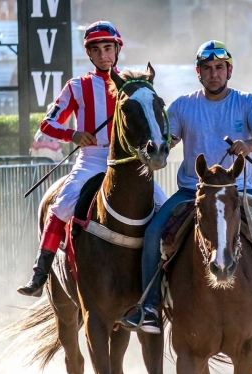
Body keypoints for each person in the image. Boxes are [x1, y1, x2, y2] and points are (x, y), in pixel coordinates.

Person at [120, 40, 252, 333]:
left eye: (219, 68)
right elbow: (169, 142)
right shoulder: (183, 106)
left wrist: (250, 144)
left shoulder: (247, 102)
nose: (213, 74)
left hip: (241, 190)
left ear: (228, 70)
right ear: (198, 73)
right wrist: (156, 149)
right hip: (193, 191)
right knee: (154, 230)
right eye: (207, 69)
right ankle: (151, 306)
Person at [17, 21, 167, 296]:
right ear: (89, 54)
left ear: (117, 49)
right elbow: (47, 125)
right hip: (92, 159)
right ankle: (39, 274)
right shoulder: (77, 86)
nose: (103, 54)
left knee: (165, 206)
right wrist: (73, 134)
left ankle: (169, 279)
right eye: (95, 49)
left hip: (129, 163)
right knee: (61, 206)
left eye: (108, 48)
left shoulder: (133, 86)